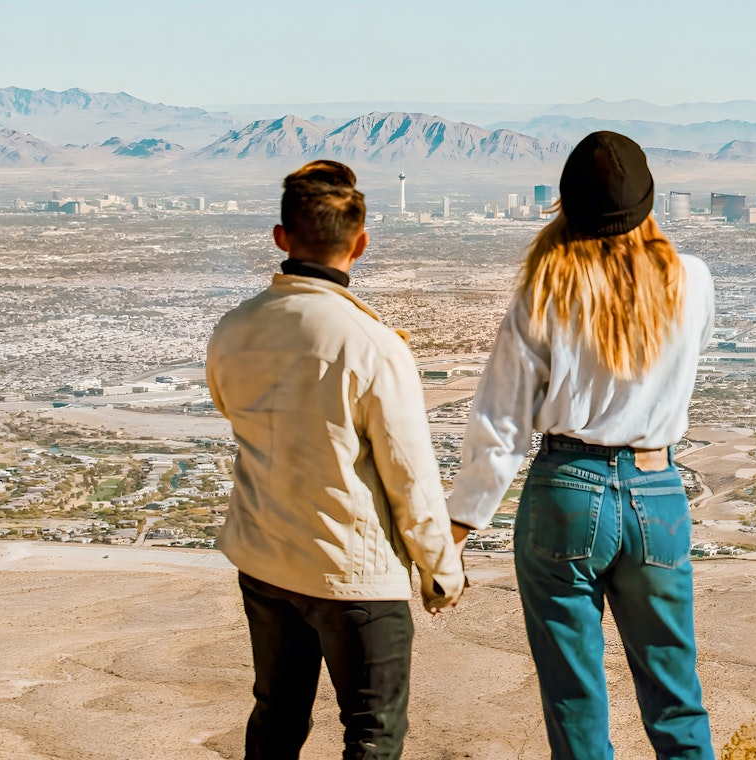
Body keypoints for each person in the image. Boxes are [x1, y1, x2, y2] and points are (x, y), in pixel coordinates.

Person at [448, 132, 715, 759]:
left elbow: (503, 420)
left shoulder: (545, 289)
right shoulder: (693, 281)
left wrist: (456, 529)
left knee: (575, 702)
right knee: (677, 697)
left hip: (567, 493)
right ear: (649, 202)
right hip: (657, 492)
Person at [206, 160, 465, 760]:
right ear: (362, 242)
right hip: (353, 573)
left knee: (276, 715)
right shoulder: (370, 344)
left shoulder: (234, 328)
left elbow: (231, 411)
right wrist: (441, 571)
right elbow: (410, 474)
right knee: (372, 736)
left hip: (266, 560)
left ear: (281, 237)